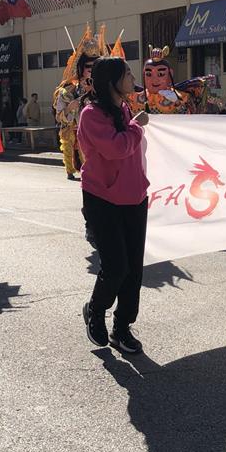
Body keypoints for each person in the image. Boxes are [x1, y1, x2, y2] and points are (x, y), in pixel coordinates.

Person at [78, 57, 149, 355]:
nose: (133, 77)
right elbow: (117, 148)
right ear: (112, 82)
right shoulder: (90, 115)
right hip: (103, 199)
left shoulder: (124, 109)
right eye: (128, 73)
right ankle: (95, 310)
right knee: (116, 267)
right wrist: (136, 126)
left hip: (135, 197)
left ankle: (123, 327)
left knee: (134, 270)